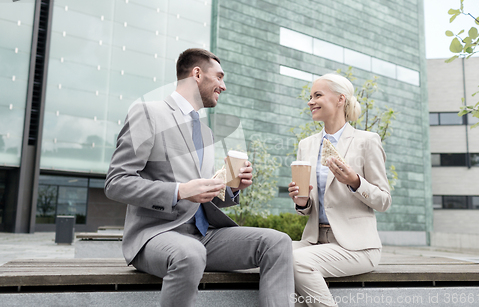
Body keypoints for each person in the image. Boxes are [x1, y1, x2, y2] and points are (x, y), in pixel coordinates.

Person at [105, 48, 294, 307]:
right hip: (157, 234)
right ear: (197, 74)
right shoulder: (148, 113)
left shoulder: (205, 132)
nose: (223, 86)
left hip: (205, 235)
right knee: (190, 254)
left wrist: (232, 187)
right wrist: (179, 191)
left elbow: (203, 193)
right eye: (219, 77)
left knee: (277, 242)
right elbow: (116, 182)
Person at [288, 73, 392, 307]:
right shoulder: (306, 145)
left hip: (357, 246)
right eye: (310, 96)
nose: (310, 101)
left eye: (317, 95)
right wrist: (302, 201)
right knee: (269, 251)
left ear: (340, 99)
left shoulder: (367, 141)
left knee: (296, 261)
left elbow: (384, 201)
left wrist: (355, 181)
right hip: (315, 241)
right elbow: (306, 209)